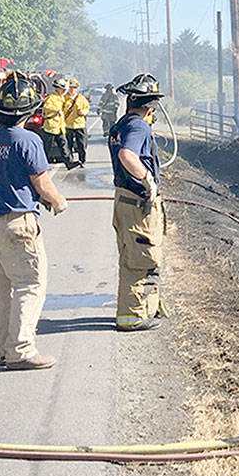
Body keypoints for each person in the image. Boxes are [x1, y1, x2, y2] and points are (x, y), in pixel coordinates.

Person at [0, 71, 68, 370]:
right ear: (30, 111)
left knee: (2, 288)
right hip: (18, 225)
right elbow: (42, 184)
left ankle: (5, 348)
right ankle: (21, 350)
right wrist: (58, 201)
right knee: (30, 284)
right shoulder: (28, 140)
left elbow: (8, 178)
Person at [108, 73, 168, 331]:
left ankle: (149, 308)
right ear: (149, 106)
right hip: (137, 204)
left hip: (124, 202)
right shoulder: (138, 126)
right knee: (141, 258)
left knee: (135, 255)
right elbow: (127, 154)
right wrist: (148, 180)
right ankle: (132, 316)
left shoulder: (121, 124)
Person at [40, 77, 68, 163]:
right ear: (57, 88)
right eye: (61, 89)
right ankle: (44, 162)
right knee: (47, 147)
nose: (63, 91)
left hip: (59, 126)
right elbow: (47, 107)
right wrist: (57, 108)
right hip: (50, 126)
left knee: (63, 145)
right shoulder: (52, 97)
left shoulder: (62, 98)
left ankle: (69, 162)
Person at [63, 77, 90, 168]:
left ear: (77, 88)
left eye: (74, 87)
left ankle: (82, 160)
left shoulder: (81, 98)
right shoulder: (64, 98)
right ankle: (70, 161)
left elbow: (86, 108)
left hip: (79, 124)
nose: (72, 89)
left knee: (81, 144)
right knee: (68, 144)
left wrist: (83, 112)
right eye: (70, 87)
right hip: (68, 125)